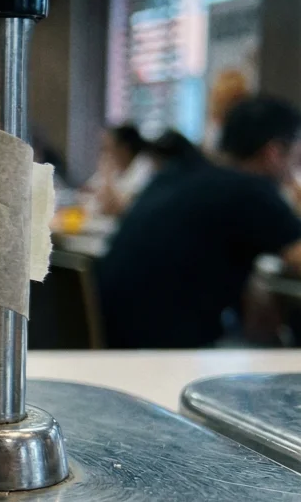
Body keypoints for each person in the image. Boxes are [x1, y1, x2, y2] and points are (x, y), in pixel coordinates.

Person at [97, 97, 301, 348]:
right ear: (274, 152)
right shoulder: (250, 190)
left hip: (109, 338)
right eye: (297, 155)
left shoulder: (179, 171)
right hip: (164, 350)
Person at [85, 124, 151, 216]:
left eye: (107, 148)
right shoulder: (115, 167)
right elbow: (89, 190)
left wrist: (107, 179)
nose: (104, 154)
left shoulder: (144, 169)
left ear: (124, 149)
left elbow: (120, 209)